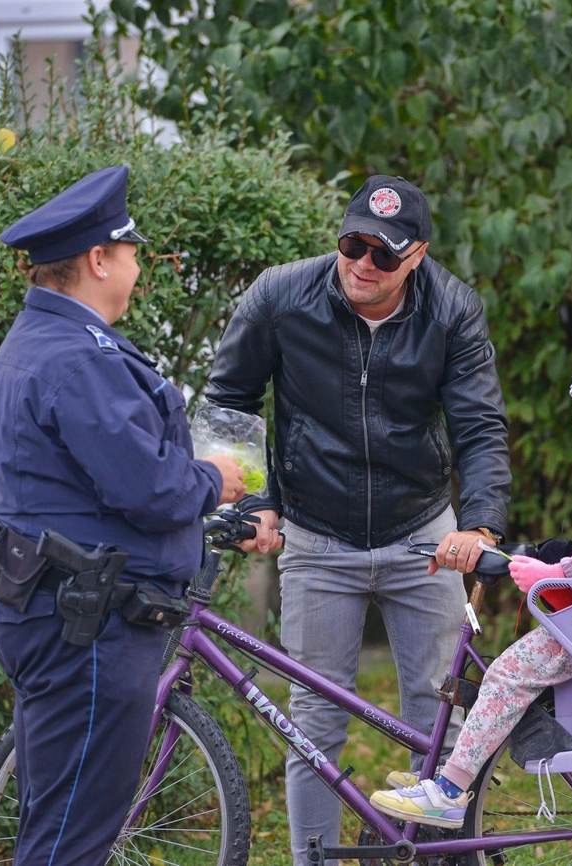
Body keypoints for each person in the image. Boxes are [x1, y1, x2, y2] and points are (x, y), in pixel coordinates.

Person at [204, 174, 511, 863]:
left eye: (384, 253)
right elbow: (229, 400)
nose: (363, 264)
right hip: (316, 536)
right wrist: (255, 500)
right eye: (352, 245)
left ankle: (443, 857)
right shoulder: (281, 296)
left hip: (423, 533)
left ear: (418, 256)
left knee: (439, 718)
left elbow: (480, 427)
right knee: (312, 725)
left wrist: (480, 526)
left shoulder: (453, 310)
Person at [0, 166, 246, 865]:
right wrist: (213, 479)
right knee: (72, 840)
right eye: (130, 252)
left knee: (56, 824)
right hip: (89, 629)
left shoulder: (38, 344)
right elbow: (149, 487)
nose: (137, 267)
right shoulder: (77, 359)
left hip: (61, 614)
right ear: (98, 259)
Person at [369, 342, 572, 827]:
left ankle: (450, 790)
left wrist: (556, 573)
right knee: (511, 673)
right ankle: (445, 772)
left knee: (506, 675)